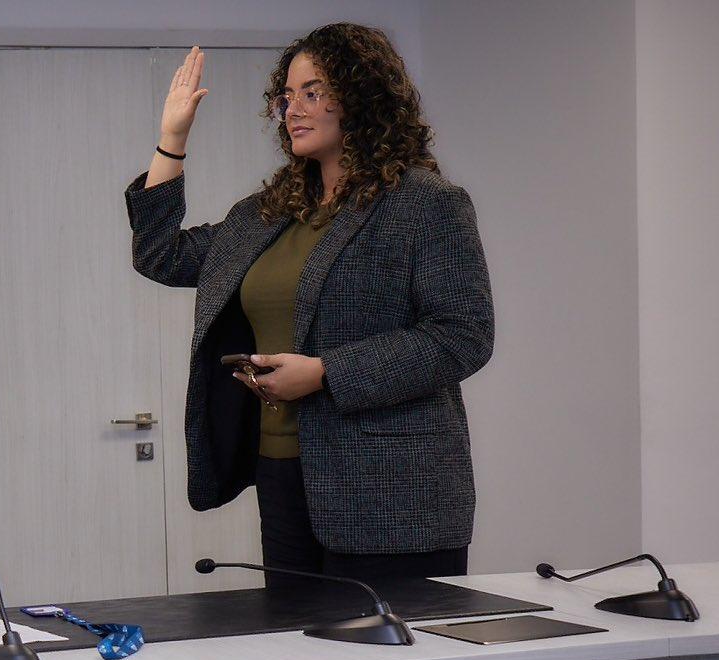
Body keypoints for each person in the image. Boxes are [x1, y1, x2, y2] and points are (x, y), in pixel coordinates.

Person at [125, 24, 493, 584]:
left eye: (313, 92)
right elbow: (161, 254)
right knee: (301, 656)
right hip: (283, 476)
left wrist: (326, 373)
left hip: (394, 495)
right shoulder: (268, 214)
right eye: (287, 96)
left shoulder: (426, 205)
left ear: (363, 97)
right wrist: (171, 138)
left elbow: (461, 337)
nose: (293, 109)